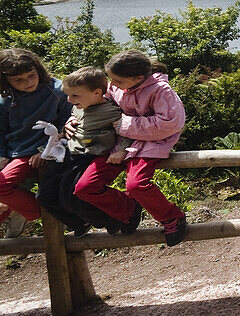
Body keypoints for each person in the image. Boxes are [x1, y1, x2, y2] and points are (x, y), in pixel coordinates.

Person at [73, 50, 189, 246]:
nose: (112, 85)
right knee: (85, 187)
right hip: (117, 143)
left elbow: (170, 123)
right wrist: (73, 120)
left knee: (136, 185)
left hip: (151, 143)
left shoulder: (161, 90)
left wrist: (123, 125)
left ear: (138, 78)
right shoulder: (118, 85)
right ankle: (128, 209)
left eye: (117, 81)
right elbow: (93, 103)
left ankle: (172, 217)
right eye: (111, 79)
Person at [37, 67, 127, 236]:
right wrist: (66, 126)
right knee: (44, 195)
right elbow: (75, 122)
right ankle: (78, 222)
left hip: (87, 155)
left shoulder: (112, 112)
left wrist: (122, 150)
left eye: (75, 96)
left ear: (97, 93)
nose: (69, 100)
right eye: (68, 95)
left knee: (69, 195)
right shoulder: (79, 106)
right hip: (69, 153)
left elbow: (128, 132)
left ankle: (107, 220)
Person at [0, 49, 71, 234]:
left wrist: (46, 151)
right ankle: (14, 210)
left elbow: (68, 126)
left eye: (31, 75)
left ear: (38, 70)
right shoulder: (5, 99)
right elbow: (1, 132)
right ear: (6, 80)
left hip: (41, 153)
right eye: (19, 80)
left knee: (1, 186)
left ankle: (49, 212)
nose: (28, 82)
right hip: (12, 153)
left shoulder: (58, 91)